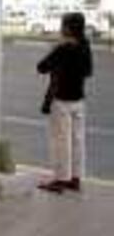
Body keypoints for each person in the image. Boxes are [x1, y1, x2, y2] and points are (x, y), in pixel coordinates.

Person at [36, 12, 93, 193]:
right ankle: (75, 178)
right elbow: (88, 72)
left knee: (61, 141)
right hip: (79, 100)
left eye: (63, 25)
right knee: (77, 140)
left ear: (68, 28)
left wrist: (57, 48)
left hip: (61, 101)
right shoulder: (85, 46)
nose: (61, 28)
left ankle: (61, 179)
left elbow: (42, 67)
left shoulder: (63, 49)